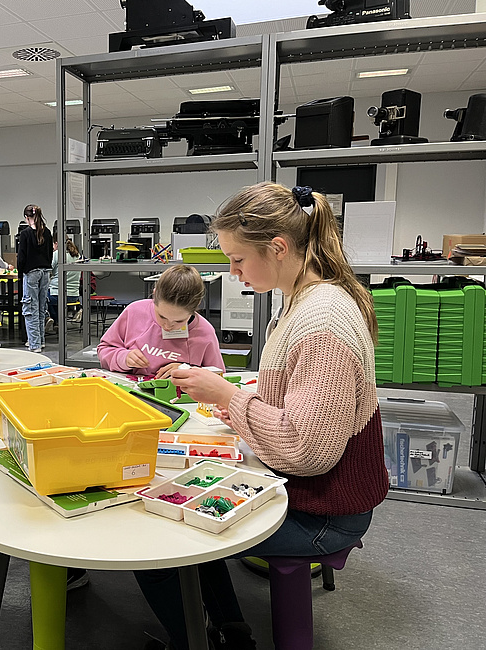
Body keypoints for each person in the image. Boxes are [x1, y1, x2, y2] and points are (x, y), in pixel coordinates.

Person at [135, 182, 390, 650]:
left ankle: (193, 640)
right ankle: (232, 631)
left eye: (237, 260)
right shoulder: (300, 298)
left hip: (325, 512)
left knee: (156, 540)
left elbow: (307, 449)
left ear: (277, 247)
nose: (232, 273)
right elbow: (296, 399)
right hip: (307, 490)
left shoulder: (324, 319)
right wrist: (235, 393)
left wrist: (229, 398)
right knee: (188, 503)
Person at [97, 265, 224, 379]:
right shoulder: (134, 312)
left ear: (196, 306)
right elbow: (104, 350)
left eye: (179, 321)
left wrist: (188, 371)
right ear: (154, 294)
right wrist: (123, 358)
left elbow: (219, 377)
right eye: (162, 316)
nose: (168, 326)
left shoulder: (205, 332)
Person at [17, 204, 53, 352]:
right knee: (40, 308)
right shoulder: (48, 232)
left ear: (26, 218)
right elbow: (50, 254)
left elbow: (21, 258)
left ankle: (34, 344)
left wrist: (21, 274)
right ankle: (41, 341)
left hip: (31, 273)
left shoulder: (25, 234)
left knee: (30, 309)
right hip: (45, 273)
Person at [47, 234, 80, 333]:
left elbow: (48, 269)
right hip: (74, 295)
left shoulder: (57, 254)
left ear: (56, 243)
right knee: (54, 298)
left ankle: (49, 319)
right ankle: (57, 323)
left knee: (42, 297)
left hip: (57, 294)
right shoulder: (77, 255)